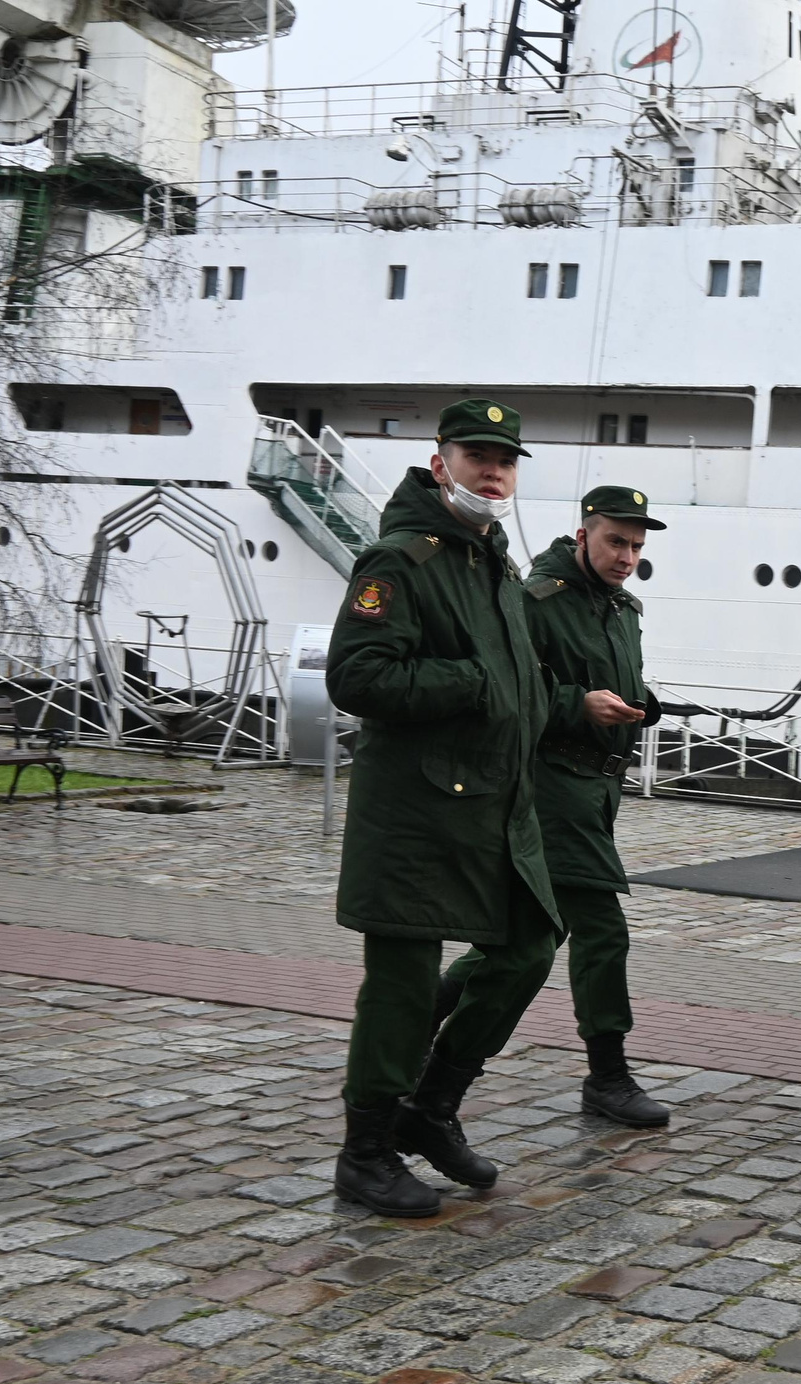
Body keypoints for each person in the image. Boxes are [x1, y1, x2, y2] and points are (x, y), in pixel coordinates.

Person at [327, 398, 609, 1217]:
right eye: (478, 454)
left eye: (507, 459)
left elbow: (516, 685)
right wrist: (472, 683)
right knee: (403, 984)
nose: (495, 470)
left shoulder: (492, 561)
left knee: (527, 946)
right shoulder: (400, 562)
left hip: (495, 806)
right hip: (416, 813)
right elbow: (359, 677)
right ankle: (367, 1151)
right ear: (439, 456)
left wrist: (574, 705)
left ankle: (431, 1106)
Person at [433, 486, 668, 1130]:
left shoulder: (622, 607)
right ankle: (607, 1075)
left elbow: (611, 677)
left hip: (600, 791)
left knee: (532, 935)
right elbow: (513, 682)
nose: (627, 557)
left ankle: (423, 1012)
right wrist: (576, 706)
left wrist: (643, 702)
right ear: (583, 532)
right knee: (602, 929)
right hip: (552, 784)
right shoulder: (539, 600)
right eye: (616, 541)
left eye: (637, 546)